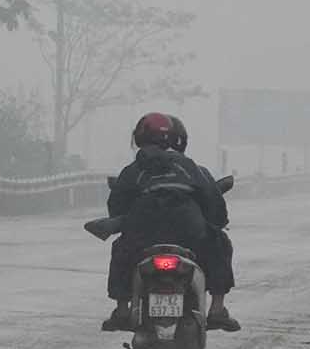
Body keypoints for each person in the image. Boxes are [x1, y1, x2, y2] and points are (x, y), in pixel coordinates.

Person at [101, 112, 239, 333]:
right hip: (189, 233)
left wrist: (125, 223)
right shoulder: (191, 167)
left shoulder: (134, 171)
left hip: (142, 235)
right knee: (219, 243)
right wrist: (215, 225)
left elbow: (116, 207)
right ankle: (217, 308)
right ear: (177, 138)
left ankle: (122, 309)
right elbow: (215, 205)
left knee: (121, 249)